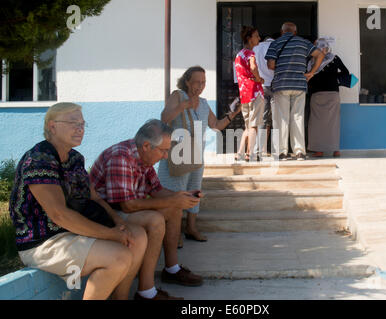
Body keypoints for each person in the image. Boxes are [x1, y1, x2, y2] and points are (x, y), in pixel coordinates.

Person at [9, 102, 148, 300]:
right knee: (119, 256)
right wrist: (110, 235)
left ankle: (121, 297)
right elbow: (59, 214)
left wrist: (119, 224)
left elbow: (95, 198)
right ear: (52, 126)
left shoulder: (75, 158)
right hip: (44, 241)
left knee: (137, 235)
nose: (80, 129)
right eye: (73, 123)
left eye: (83, 124)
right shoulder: (39, 160)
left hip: (70, 232)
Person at [89, 119, 204, 299]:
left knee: (174, 207)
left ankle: (172, 270)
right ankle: (147, 292)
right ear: (146, 146)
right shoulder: (120, 157)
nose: (166, 156)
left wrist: (182, 196)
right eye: (163, 150)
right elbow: (127, 205)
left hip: (122, 209)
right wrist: (174, 199)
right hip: (106, 214)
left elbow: (157, 191)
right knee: (155, 220)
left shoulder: (143, 157)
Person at [159, 66, 241, 242]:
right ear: (187, 81)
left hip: (196, 155)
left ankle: (191, 227)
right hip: (177, 155)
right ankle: (175, 233)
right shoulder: (177, 96)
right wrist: (182, 106)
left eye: (203, 82)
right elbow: (164, 118)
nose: (200, 86)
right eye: (197, 82)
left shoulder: (203, 103)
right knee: (176, 192)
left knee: (195, 190)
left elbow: (216, 126)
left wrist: (232, 114)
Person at [265, 22, 325, 161]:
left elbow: (270, 64)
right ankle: (299, 152)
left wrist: (283, 67)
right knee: (298, 117)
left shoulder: (275, 43)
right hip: (299, 84)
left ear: (282, 32)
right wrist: (311, 72)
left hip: (281, 85)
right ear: (295, 32)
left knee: (282, 119)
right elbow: (320, 55)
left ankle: (282, 152)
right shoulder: (304, 43)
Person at [307, 38, 349, 158]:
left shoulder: (312, 60)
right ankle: (335, 150)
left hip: (317, 94)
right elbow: (345, 72)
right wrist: (335, 78)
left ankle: (319, 151)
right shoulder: (334, 58)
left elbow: (307, 75)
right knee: (333, 123)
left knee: (316, 124)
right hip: (333, 94)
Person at [234, 26, 265, 162]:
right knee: (254, 125)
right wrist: (258, 78)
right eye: (256, 36)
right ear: (249, 38)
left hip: (244, 94)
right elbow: (253, 67)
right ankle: (251, 154)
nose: (259, 38)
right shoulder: (250, 54)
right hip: (254, 92)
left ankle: (240, 153)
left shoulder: (239, 54)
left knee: (247, 125)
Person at [253, 34, 276, 157]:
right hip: (275, 85)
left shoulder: (256, 48)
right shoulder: (276, 45)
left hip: (261, 85)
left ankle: (261, 148)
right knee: (277, 118)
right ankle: (276, 149)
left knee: (263, 118)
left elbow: (253, 66)